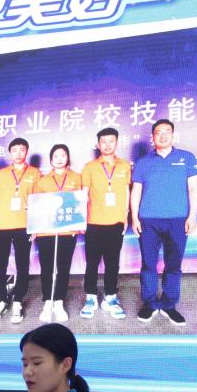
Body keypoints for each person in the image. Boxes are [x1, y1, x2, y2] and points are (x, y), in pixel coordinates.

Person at [130, 119, 197, 326]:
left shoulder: (186, 158)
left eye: (166, 132)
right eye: (158, 132)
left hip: (178, 219)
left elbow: (193, 188)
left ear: (173, 135)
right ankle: (150, 303)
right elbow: (136, 191)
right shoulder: (143, 162)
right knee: (148, 264)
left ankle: (169, 304)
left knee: (174, 264)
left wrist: (192, 216)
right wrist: (134, 217)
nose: (162, 135)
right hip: (148, 220)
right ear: (152, 137)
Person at [0, 137, 40, 324]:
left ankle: (18, 301)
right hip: (1, 225)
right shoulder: (2, 174)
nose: (18, 153)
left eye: (22, 150)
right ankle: (1, 299)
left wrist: (35, 224)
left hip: (24, 225)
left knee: (22, 264)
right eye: (15, 150)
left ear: (27, 152)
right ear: (10, 153)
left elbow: (37, 200)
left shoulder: (35, 173)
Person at [79, 127, 131, 320]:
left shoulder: (124, 166)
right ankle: (90, 297)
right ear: (98, 144)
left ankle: (111, 297)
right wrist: (82, 220)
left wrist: (125, 217)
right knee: (92, 263)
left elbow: (126, 192)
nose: (107, 145)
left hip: (116, 222)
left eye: (111, 141)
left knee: (112, 263)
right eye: (104, 141)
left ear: (117, 142)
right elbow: (84, 194)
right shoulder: (90, 167)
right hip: (93, 222)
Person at [33, 144, 82, 323]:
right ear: (51, 160)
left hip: (68, 230)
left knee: (63, 266)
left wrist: (80, 224)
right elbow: (36, 206)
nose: (59, 159)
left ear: (67, 158)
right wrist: (35, 228)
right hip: (46, 231)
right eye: (56, 156)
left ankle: (59, 301)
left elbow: (81, 202)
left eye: (63, 155)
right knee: (46, 266)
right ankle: (48, 301)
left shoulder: (76, 178)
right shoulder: (43, 181)